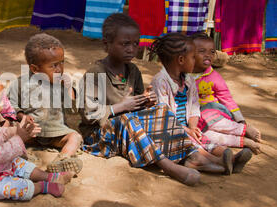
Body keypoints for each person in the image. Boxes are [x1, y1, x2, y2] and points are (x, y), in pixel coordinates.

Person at [79, 13, 227, 186]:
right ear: (107, 44)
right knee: (127, 120)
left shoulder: (133, 71)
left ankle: (192, 155)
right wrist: (122, 106)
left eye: (135, 44)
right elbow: (89, 116)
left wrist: (146, 102)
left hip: (129, 131)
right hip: (99, 136)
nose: (131, 49)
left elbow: (138, 109)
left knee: (161, 111)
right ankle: (166, 165)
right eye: (125, 44)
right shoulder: (96, 74)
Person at [0, 64, 75, 200]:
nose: (4, 104)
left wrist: (16, 130)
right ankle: (41, 186)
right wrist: (19, 138)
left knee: (18, 162)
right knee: (17, 187)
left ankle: (49, 177)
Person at [150, 32, 252, 175]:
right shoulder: (161, 82)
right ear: (181, 60)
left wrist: (193, 126)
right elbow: (165, 115)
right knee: (193, 142)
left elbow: (194, 108)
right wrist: (187, 130)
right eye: (192, 57)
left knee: (204, 138)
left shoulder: (189, 81)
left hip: (187, 127)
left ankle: (229, 157)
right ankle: (215, 161)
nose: (195, 60)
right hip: (170, 129)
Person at [7, 33, 84, 174]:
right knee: (9, 134)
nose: (60, 69)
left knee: (75, 137)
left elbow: (73, 110)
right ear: (35, 69)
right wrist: (21, 115)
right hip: (31, 133)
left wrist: (68, 89)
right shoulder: (20, 83)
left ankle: (63, 159)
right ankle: (19, 158)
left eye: (62, 62)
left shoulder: (62, 82)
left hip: (56, 132)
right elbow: (10, 105)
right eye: (54, 65)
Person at [190, 32, 260, 158]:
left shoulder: (214, 77)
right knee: (204, 136)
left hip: (215, 113)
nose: (208, 55)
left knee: (206, 115)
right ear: (190, 54)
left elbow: (227, 99)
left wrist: (240, 120)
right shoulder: (183, 75)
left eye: (212, 52)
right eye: (202, 51)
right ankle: (243, 142)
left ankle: (243, 130)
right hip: (196, 120)